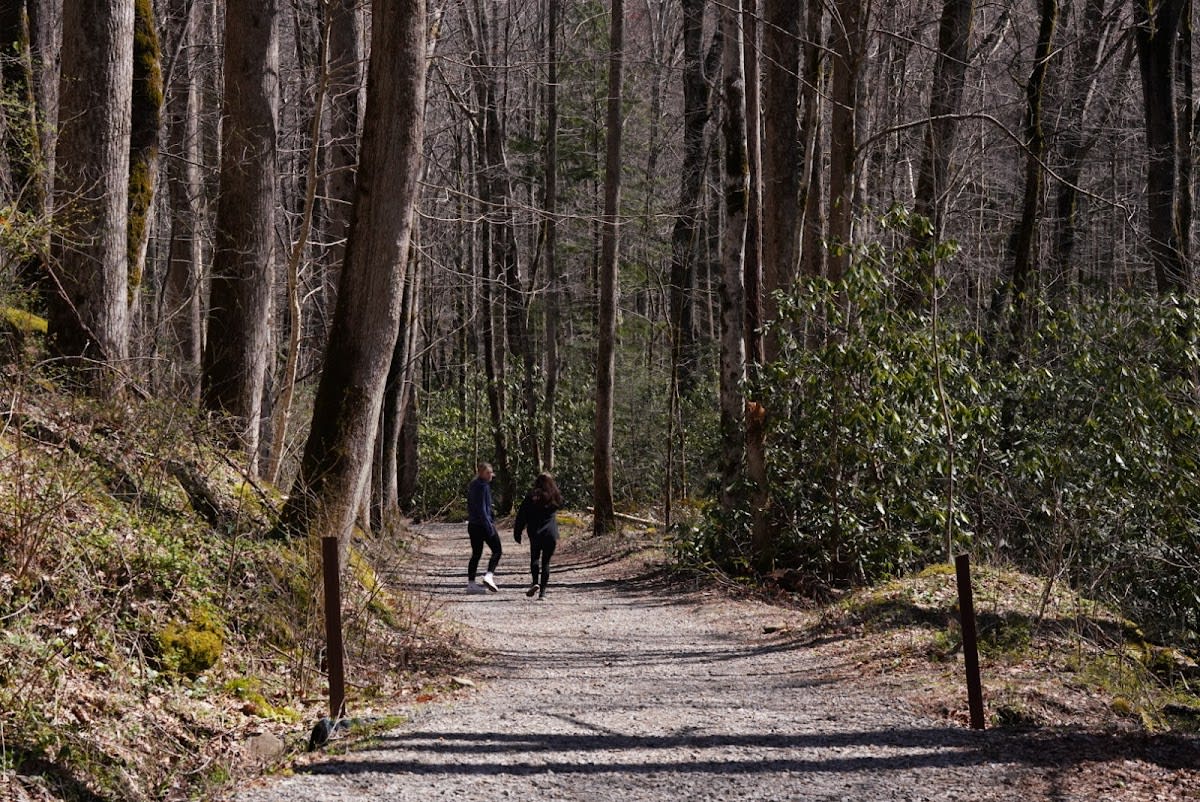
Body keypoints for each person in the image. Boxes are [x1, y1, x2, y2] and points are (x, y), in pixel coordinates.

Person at [513, 472, 563, 600]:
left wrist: (517, 532)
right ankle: (543, 592)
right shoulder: (555, 496)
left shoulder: (531, 497)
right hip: (551, 533)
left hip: (535, 533)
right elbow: (560, 504)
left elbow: (521, 515)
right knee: (546, 563)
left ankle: (535, 582)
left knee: (535, 558)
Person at [466, 462, 502, 594]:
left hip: (473, 525)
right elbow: (482, 509)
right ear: (481, 473)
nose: (490, 475)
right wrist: (489, 526)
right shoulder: (482, 486)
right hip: (482, 525)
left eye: (491, 472)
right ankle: (489, 575)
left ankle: (471, 584)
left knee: (476, 554)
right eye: (487, 473)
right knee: (497, 550)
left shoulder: (473, 485)